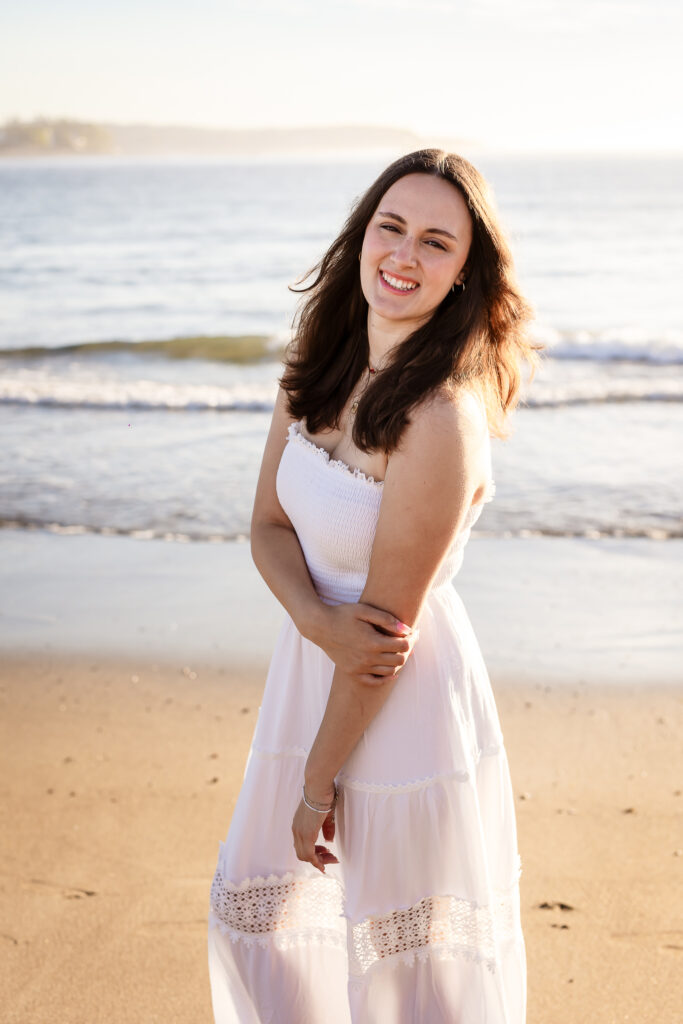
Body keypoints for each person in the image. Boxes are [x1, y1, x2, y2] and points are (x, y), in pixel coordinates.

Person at [207, 148, 542, 1023]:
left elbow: (381, 641)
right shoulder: (317, 362)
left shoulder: (441, 418)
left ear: (466, 270)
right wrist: (320, 623)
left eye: (436, 241)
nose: (404, 254)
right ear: (361, 235)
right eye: (390, 227)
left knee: (402, 973)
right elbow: (267, 528)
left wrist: (318, 787)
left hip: (400, 701)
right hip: (310, 666)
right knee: (267, 921)